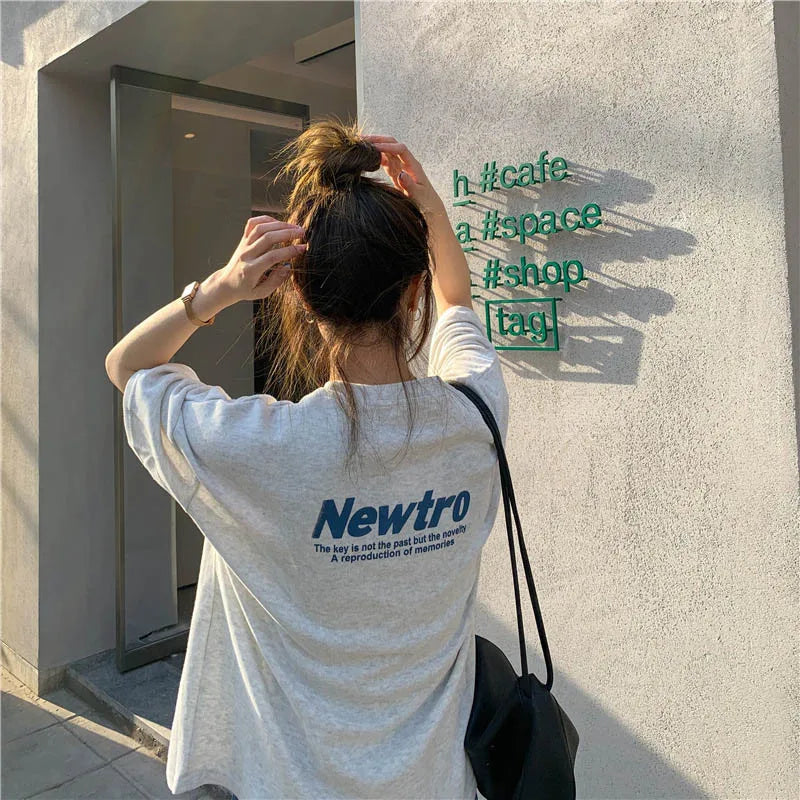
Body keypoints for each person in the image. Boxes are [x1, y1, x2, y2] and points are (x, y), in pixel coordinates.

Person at [105, 117, 508, 800]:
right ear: (412, 291)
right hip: (437, 782)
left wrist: (221, 288)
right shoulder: (477, 412)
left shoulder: (253, 447)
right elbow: (457, 299)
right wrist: (432, 211)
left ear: (297, 291)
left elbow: (127, 367)